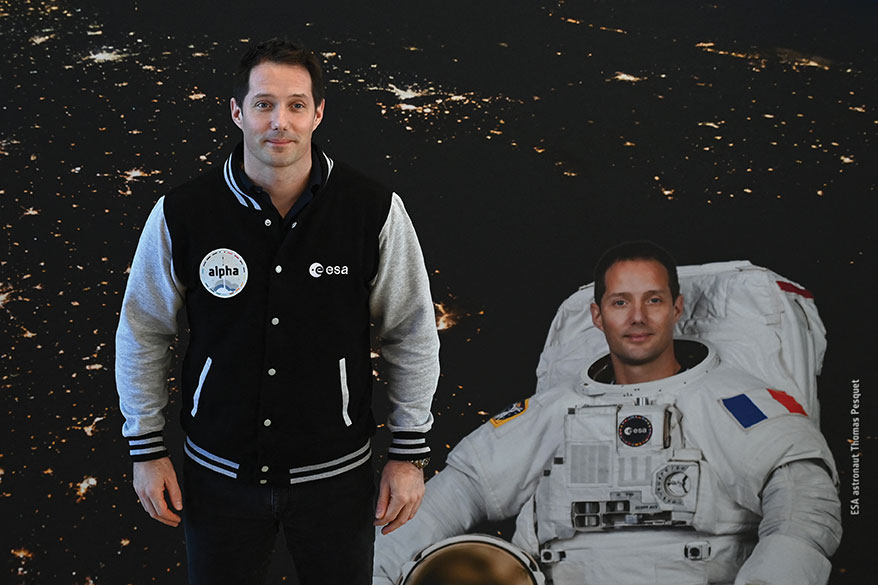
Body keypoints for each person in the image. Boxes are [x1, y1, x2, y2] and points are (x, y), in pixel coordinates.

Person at [115, 38, 440, 585]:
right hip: (218, 477)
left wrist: (409, 453)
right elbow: (143, 330)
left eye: (296, 105)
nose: (279, 122)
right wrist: (146, 448)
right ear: (237, 112)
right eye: (263, 104)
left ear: (318, 114)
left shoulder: (372, 210)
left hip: (337, 479)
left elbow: (410, 331)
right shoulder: (183, 212)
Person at [374, 241, 841, 585]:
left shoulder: (734, 402)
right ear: (598, 316)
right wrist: (372, 572)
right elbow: (459, 490)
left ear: (676, 309)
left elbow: (802, 511)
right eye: (620, 302)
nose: (637, 318)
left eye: (653, 300)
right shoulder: (551, 411)